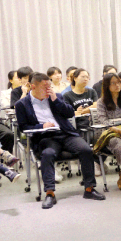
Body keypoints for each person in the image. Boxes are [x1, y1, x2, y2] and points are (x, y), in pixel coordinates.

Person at [15, 73, 105, 209]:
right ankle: (50, 193)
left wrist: (55, 99)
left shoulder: (56, 97)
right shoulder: (22, 104)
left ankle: (89, 189)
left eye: (49, 86)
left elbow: (70, 113)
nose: (48, 89)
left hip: (65, 133)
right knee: (48, 154)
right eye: (45, 87)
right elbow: (23, 127)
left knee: (86, 150)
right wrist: (41, 126)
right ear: (33, 87)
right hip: (45, 138)